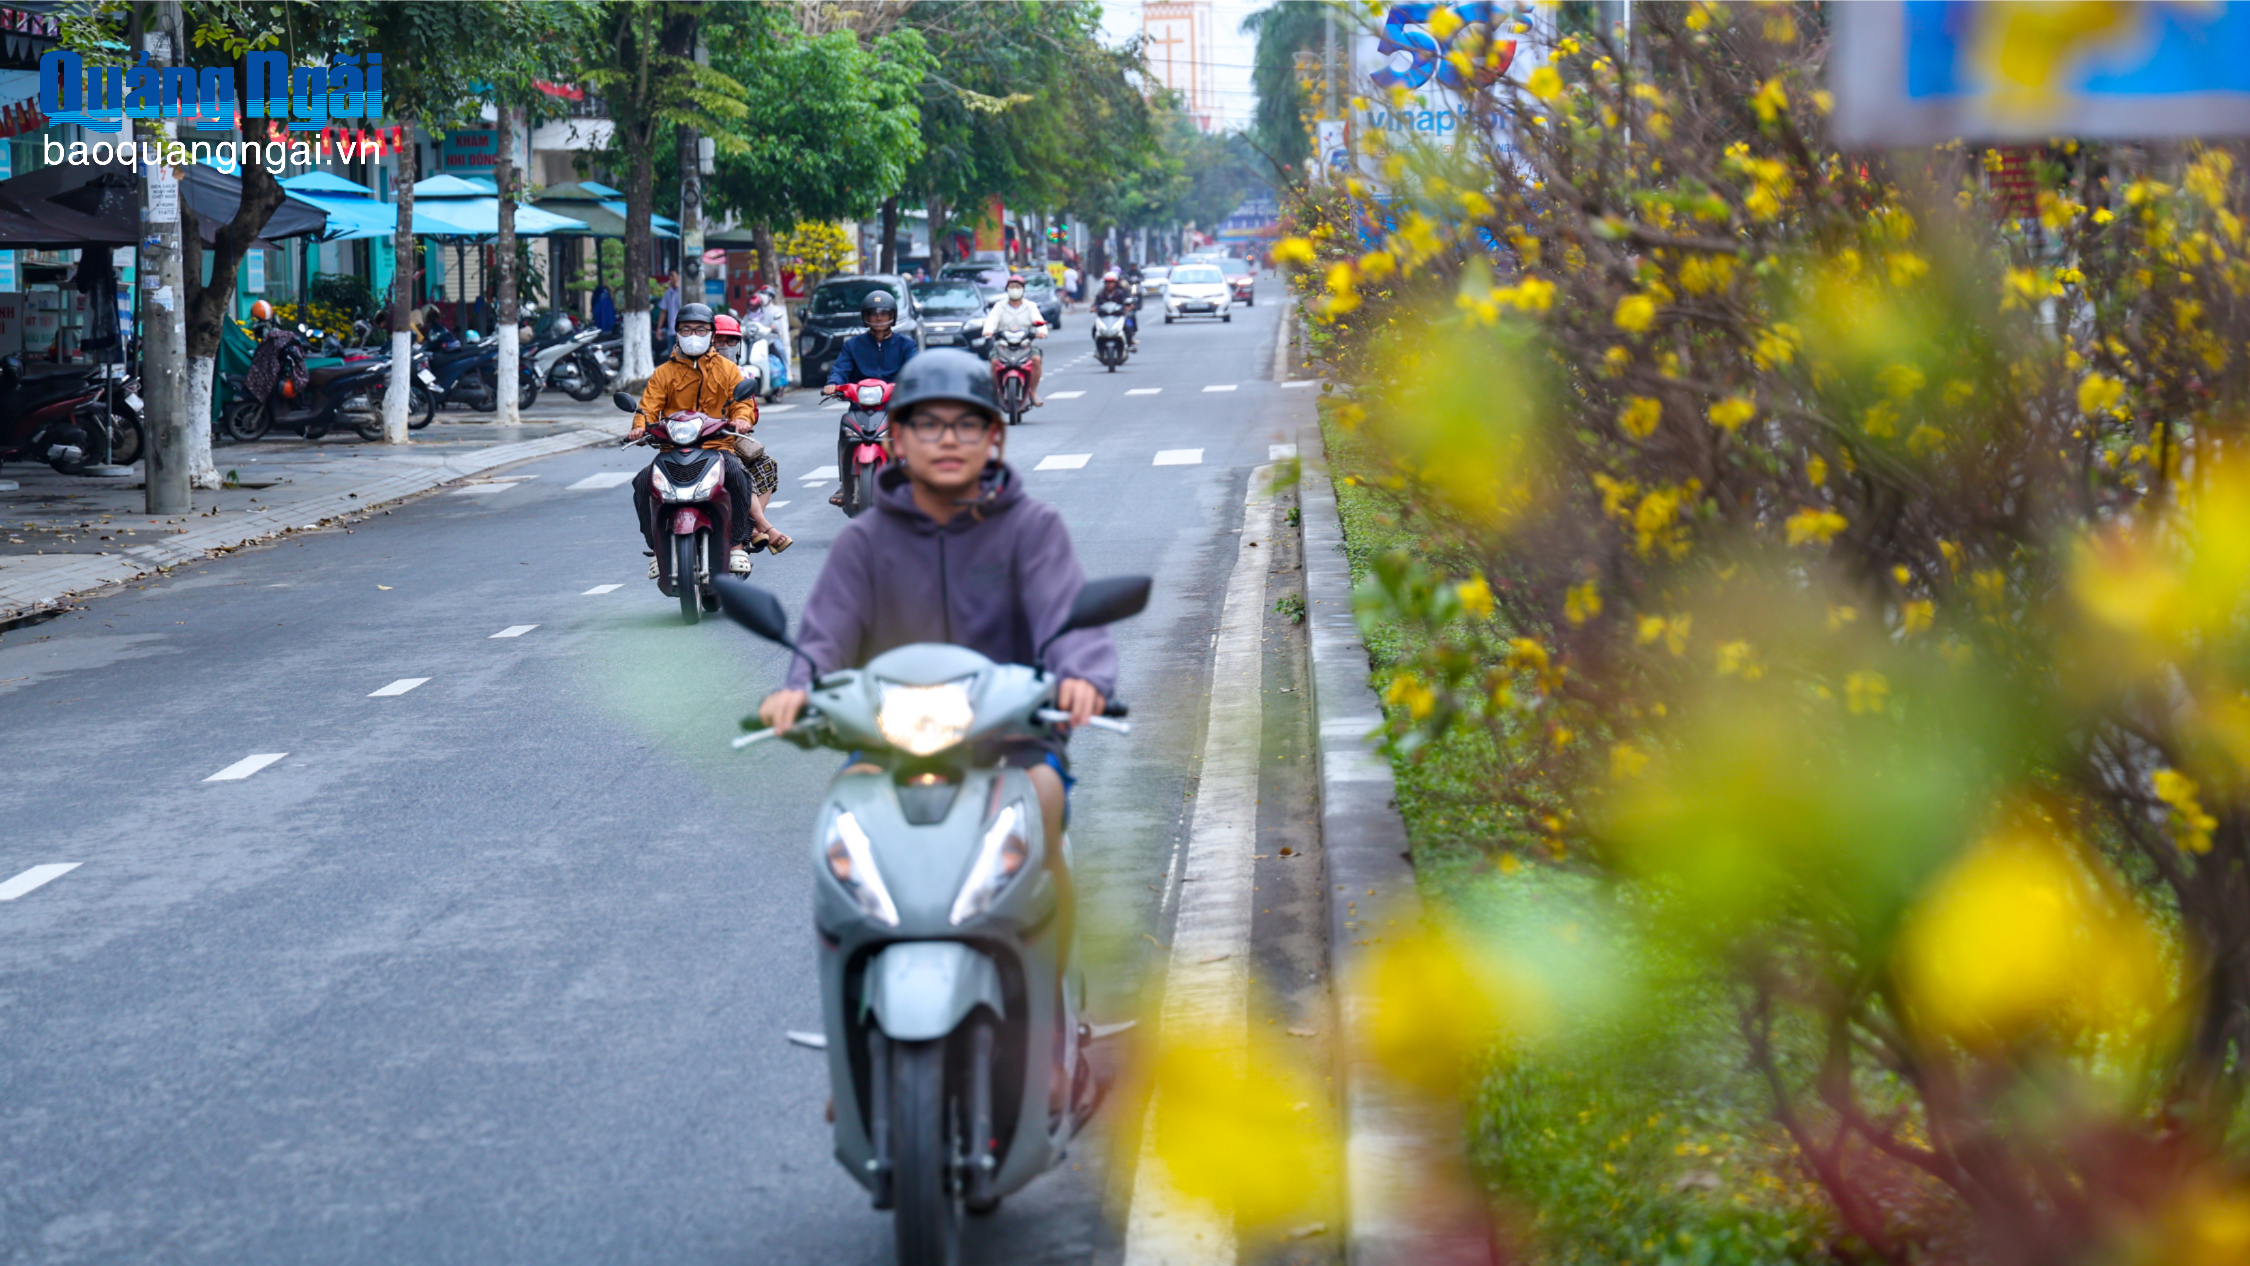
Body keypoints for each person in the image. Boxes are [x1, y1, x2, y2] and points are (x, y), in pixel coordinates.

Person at [759, 348, 1114, 854]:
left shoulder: (1032, 529)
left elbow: (1067, 617)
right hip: (889, 740)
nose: (948, 440)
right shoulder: (865, 541)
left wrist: (1082, 675)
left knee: (1042, 795)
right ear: (898, 438)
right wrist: (801, 688)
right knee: (845, 819)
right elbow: (827, 630)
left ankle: (1053, 907)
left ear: (994, 436)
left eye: (967, 425)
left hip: (1011, 735)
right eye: (928, 425)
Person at [628, 302, 778, 574]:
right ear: (677, 333)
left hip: (718, 448)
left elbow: (742, 403)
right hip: (671, 449)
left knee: (739, 477)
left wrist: (742, 419)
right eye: (686, 329)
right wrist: (640, 427)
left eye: (700, 330)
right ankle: (656, 548)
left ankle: (736, 545)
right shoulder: (664, 372)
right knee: (641, 483)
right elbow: (648, 407)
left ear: (711, 334)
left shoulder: (728, 370)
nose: (693, 335)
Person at [823, 288, 918, 507]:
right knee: (846, 430)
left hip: (895, 404)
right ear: (865, 317)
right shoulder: (852, 345)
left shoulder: (906, 345)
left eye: (884, 313)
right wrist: (833, 384)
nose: (878, 318)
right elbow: (840, 369)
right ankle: (845, 481)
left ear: (892, 316)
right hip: (860, 406)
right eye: (873, 313)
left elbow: (914, 369)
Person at [981, 273, 1049, 407]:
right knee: (994, 362)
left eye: (1018, 286)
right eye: (1012, 286)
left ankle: (1033, 393)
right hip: (1003, 345)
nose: (1015, 289)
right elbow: (991, 320)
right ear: (1007, 289)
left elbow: (1038, 320)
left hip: (1025, 344)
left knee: (1036, 360)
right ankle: (993, 393)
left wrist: (1041, 332)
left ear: (1023, 289)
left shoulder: (1030, 306)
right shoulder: (999, 306)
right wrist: (988, 331)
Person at [1094, 268, 1138, 350]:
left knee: (1127, 327)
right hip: (1104, 316)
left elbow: (1127, 302)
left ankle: (1129, 344)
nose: (1109, 284)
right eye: (1107, 282)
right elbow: (1095, 304)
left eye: (1111, 282)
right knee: (1095, 329)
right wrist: (1094, 308)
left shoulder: (1121, 293)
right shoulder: (1100, 294)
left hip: (1118, 316)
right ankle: (1099, 346)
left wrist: (1128, 307)